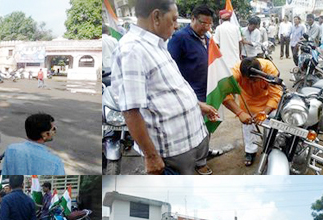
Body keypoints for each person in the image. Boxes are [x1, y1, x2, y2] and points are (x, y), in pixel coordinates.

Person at [111, 0, 218, 175]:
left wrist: (197, 105)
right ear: (156, 17)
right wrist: (151, 156)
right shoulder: (132, 50)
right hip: (171, 151)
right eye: (174, 19)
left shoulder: (157, 44)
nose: (176, 26)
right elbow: (131, 110)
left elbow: (167, 89)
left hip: (186, 144)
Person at [168, 5, 223, 175]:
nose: (206, 27)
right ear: (193, 19)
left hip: (207, 90)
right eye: (203, 23)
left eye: (209, 24)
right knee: (193, 130)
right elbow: (171, 68)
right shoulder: (179, 38)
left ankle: (203, 154)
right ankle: (199, 163)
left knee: (206, 127)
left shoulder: (206, 36)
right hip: (191, 94)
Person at [222, 57, 283, 167]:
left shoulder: (269, 69)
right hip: (248, 102)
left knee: (273, 123)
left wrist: (264, 113)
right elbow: (223, 93)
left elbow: (275, 95)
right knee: (248, 125)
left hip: (267, 102)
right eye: (248, 80)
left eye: (254, 80)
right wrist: (240, 113)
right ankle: (250, 151)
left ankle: (270, 149)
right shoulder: (234, 73)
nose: (251, 82)